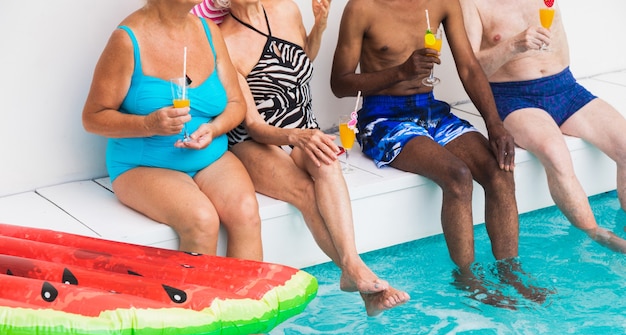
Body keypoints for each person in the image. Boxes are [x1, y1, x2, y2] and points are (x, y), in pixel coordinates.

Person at [330, 0, 544, 307]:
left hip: (430, 110)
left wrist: (495, 124)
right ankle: (467, 277)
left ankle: (509, 271)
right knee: (457, 175)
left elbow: (469, 67)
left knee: (499, 170)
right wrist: (400, 72)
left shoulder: (443, 2)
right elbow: (340, 83)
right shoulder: (362, 8)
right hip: (383, 117)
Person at [212, 0, 410, 316]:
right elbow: (253, 125)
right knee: (305, 192)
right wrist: (296, 136)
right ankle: (356, 272)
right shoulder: (224, 41)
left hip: (303, 127)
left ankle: (353, 269)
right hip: (255, 140)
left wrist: (319, 26)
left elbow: (301, 60)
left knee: (328, 163)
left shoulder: (285, 9)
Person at [82, 0, 262, 261]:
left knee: (245, 211)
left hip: (209, 157)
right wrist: (148, 124)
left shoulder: (210, 32)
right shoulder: (127, 40)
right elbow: (92, 118)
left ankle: (247, 301)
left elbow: (236, 104)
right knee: (201, 220)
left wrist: (213, 128)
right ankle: (197, 303)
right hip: (144, 165)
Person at [459, 0, 626, 253]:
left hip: (566, 88)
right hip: (513, 96)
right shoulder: (472, 4)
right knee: (555, 153)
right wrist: (513, 45)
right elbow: (470, 68)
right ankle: (599, 236)